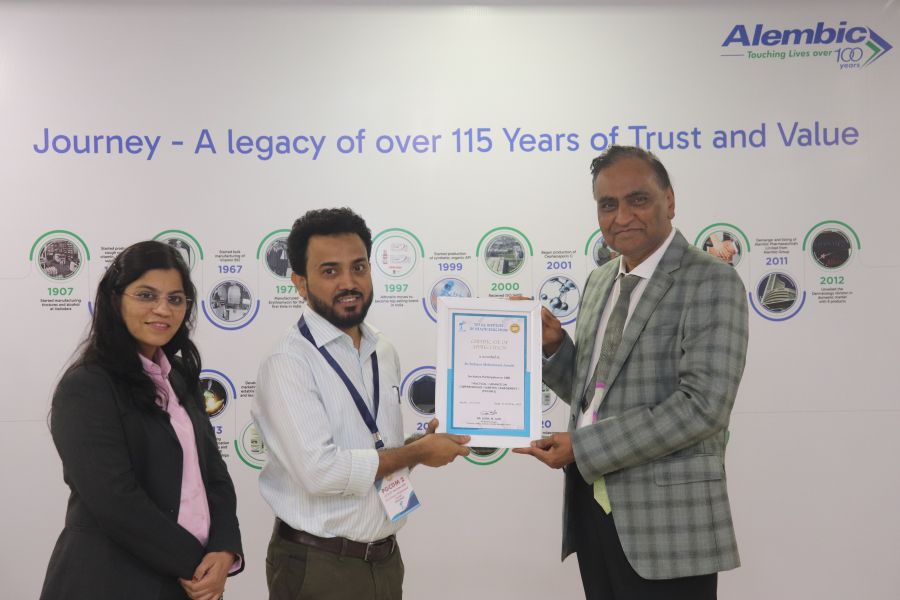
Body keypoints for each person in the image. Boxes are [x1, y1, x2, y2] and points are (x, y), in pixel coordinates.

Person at [514, 146, 749, 600]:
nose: (622, 216)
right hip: (592, 512)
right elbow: (595, 395)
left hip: (669, 528)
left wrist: (582, 447)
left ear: (669, 201)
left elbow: (703, 408)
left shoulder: (712, 281)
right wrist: (554, 347)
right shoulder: (600, 281)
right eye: (608, 204)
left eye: (637, 199)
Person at [253, 207, 471, 600]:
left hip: (385, 562)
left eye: (359, 267)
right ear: (300, 283)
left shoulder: (382, 349)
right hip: (318, 566)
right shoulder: (289, 361)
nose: (349, 282)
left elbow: (374, 446)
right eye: (330, 271)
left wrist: (418, 445)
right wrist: (418, 452)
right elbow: (321, 472)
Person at [40, 241, 244, 600]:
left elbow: (214, 475)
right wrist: (196, 564)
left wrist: (224, 549)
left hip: (187, 582)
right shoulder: (87, 386)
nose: (163, 309)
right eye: (146, 295)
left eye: (175, 299)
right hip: (110, 581)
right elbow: (116, 501)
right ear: (115, 299)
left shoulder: (179, 378)